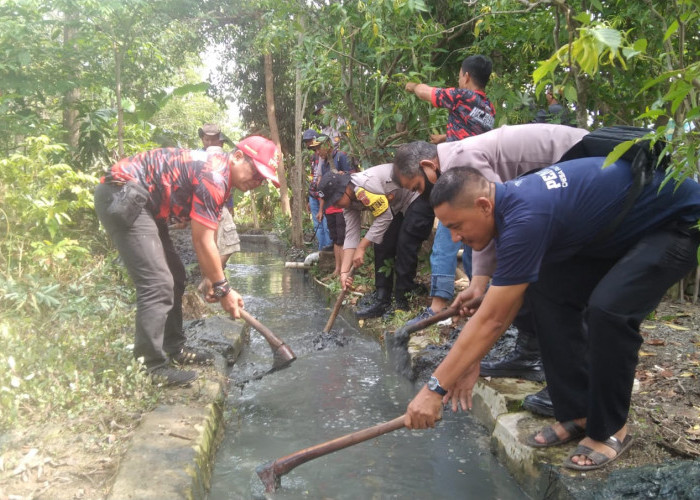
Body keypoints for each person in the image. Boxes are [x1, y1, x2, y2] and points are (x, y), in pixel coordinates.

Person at [404, 161, 700, 472]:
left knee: (609, 311)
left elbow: (492, 319)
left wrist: (433, 390)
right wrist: (469, 361)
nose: (454, 238)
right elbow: (501, 309)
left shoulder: (525, 217)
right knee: (545, 290)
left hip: (675, 222)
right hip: (618, 227)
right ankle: (578, 410)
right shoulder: (508, 208)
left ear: (482, 205)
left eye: (455, 226)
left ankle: (611, 428)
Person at [392, 124, 590, 412]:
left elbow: (497, 217)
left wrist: (443, 380)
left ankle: (572, 382)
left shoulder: (460, 163)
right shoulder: (455, 162)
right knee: (520, 280)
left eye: (418, 188)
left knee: (546, 282)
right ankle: (530, 353)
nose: (422, 197)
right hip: (555, 190)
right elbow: (491, 223)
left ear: (427, 166)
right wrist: (478, 284)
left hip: (578, 166)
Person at [94, 136, 281, 386]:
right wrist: (224, 289)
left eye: (262, 179)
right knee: (158, 282)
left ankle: (173, 348)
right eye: (256, 173)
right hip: (122, 193)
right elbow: (201, 240)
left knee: (176, 275)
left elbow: (208, 232)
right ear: (237, 156)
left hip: (145, 204)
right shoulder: (215, 175)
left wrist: (210, 277)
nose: (257, 183)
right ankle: (150, 367)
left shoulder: (222, 180)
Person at [317, 167, 434, 318]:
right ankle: (382, 298)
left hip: (415, 196)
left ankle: (401, 300)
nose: (336, 206)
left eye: (337, 200)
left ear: (344, 189)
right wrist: (345, 272)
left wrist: (362, 246)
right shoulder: (348, 204)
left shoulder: (364, 187)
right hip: (395, 206)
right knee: (381, 243)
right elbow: (351, 234)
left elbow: (384, 217)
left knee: (405, 243)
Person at [405, 54, 495, 145]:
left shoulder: (462, 96)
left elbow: (424, 92)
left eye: (460, 77)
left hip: (458, 156)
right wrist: (444, 137)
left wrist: (413, 86)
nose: (458, 81)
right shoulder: (490, 108)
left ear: (467, 77)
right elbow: (474, 133)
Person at [196, 124, 240, 293]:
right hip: (209, 205)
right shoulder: (201, 156)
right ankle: (211, 279)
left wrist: (230, 207)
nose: (210, 142)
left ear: (220, 142)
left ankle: (214, 280)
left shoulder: (224, 158)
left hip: (219, 205)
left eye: (213, 139)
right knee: (228, 243)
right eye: (207, 139)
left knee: (216, 245)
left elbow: (228, 185)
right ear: (203, 139)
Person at [312, 134, 355, 275]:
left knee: (343, 237)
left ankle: (344, 270)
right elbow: (324, 190)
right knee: (335, 238)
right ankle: (337, 269)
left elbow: (353, 176)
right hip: (330, 207)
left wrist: (344, 174)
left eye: (319, 149)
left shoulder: (341, 157)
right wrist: (321, 209)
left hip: (342, 204)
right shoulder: (323, 163)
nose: (318, 152)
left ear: (328, 146)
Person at [303, 128, 333, 251]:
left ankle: (328, 251)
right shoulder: (313, 157)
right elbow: (313, 178)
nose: (309, 144)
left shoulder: (326, 156)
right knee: (317, 225)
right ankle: (322, 252)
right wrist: (308, 199)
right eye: (307, 142)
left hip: (324, 195)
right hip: (313, 195)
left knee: (326, 224)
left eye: (310, 141)